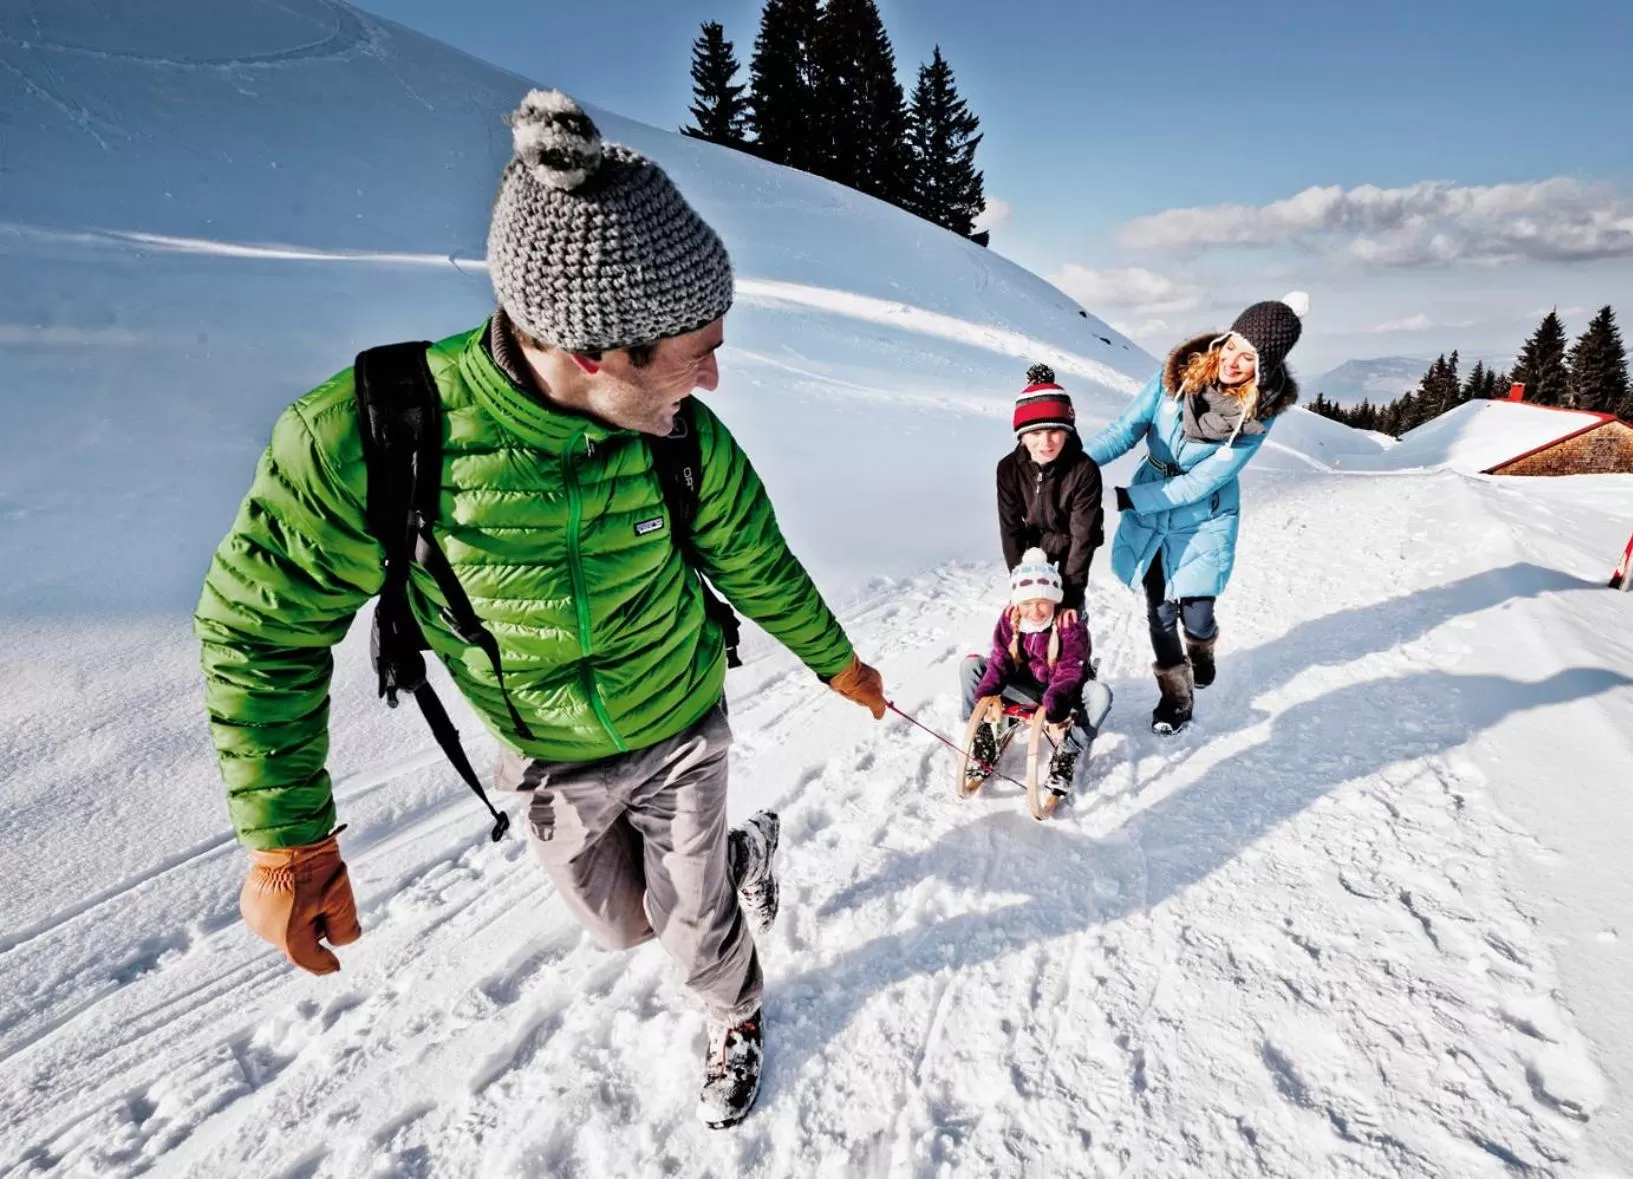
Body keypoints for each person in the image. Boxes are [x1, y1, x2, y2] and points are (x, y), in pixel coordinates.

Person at [194, 89, 887, 1129]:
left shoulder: (681, 440)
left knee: (696, 933)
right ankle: (741, 860)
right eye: (696, 346)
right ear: (592, 354)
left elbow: (756, 560)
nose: (713, 373)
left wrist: (835, 662)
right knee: (619, 924)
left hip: (681, 724)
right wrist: (290, 842)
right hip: (545, 752)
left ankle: (732, 1015)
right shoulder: (376, 440)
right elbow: (259, 627)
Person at [1084, 294, 1307, 734]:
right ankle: (1177, 698)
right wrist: (1080, 466)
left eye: (1250, 358)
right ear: (1223, 340)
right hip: (1152, 493)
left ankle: (1202, 647)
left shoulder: (1259, 415)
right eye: (1233, 347)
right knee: (1160, 610)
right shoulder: (1175, 379)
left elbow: (1200, 483)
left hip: (1205, 514)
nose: (1234, 362)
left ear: (1264, 368)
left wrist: (1126, 499)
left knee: (1196, 613)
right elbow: (1126, 428)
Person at [958, 549, 1113, 795]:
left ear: (1055, 599)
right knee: (971, 666)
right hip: (1023, 688)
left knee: (1100, 694)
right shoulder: (1011, 619)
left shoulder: (1068, 623)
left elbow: (1070, 668)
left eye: (1043, 601)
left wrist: (1056, 699)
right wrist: (987, 695)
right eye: (1027, 603)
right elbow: (1001, 659)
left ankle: (1069, 750)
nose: (1036, 610)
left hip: (1063, 693)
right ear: (1017, 602)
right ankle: (984, 733)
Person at [996, 364, 1104, 617]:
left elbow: (1083, 536)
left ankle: (1077, 653)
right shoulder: (1008, 469)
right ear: (1022, 435)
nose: (1045, 442)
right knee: (1031, 608)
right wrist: (1021, 582)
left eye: (1054, 431)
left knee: (1067, 613)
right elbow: (1010, 528)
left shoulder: (1084, 469)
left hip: (1073, 543)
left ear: (1068, 432)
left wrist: (1071, 597)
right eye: (1035, 432)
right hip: (1034, 544)